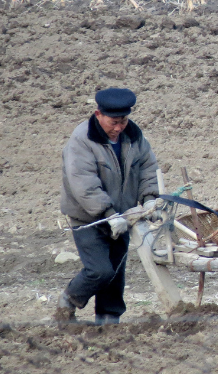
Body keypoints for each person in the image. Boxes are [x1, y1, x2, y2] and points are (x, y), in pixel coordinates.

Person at [55, 87, 160, 325]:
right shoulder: (82, 140)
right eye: (114, 122)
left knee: (116, 273)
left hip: (123, 215)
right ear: (98, 114)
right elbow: (84, 184)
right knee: (100, 271)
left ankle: (109, 320)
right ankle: (67, 302)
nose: (119, 128)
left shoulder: (134, 135)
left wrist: (150, 197)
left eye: (123, 121)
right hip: (89, 218)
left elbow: (147, 166)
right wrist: (108, 214)